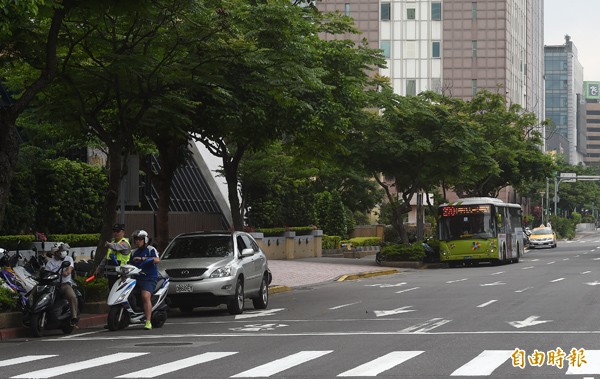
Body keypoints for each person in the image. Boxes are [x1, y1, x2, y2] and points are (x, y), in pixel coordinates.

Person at [129, 230, 160, 330]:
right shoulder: (133, 252)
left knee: (145, 296)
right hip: (135, 278)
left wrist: (142, 259)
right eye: (136, 240)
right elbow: (128, 264)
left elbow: (157, 260)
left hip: (149, 278)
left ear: (145, 240)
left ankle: (148, 321)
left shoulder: (151, 249)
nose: (137, 242)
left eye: (139, 239)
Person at [45, 242, 78, 326]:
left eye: (63, 250)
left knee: (72, 296)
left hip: (64, 284)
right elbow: (46, 273)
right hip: (52, 285)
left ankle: (74, 317)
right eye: (61, 250)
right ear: (56, 252)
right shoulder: (50, 263)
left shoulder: (68, 259)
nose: (63, 252)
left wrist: (65, 272)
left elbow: (69, 270)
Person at [95, 223, 131, 290]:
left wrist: (109, 244)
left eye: (118, 231)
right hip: (111, 275)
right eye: (114, 231)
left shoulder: (124, 243)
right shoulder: (113, 242)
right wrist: (99, 268)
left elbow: (117, 247)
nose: (115, 233)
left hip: (122, 275)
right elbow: (106, 258)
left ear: (123, 232)